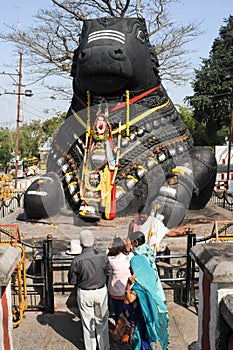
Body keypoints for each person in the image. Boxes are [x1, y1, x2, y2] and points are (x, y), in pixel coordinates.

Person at [68, 229, 112, 350]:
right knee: (102, 322)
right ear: (93, 242)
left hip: (85, 292)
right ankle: (104, 347)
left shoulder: (77, 260)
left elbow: (72, 280)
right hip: (101, 291)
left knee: (87, 324)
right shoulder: (103, 256)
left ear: (81, 243)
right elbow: (109, 272)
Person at [124, 255, 169, 350]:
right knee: (146, 341)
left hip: (140, 318)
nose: (129, 268)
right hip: (149, 316)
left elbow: (129, 299)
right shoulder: (149, 278)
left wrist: (128, 284)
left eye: (131, 266)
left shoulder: (139, 286)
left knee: (140, 342)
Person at [128, 230, 166, 302]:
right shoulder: (147, 249)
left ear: (136, 242)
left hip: (146, 279)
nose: (131, 244)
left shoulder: (139, 254)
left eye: (132, 242)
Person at [107, 236, 134, 324]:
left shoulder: (110, 259)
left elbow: (107, 252)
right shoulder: (130, 256)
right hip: (128, 289)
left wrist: (109, 247)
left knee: (118, 313)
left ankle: (119, 329)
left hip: (115, 291)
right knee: (129, 312)